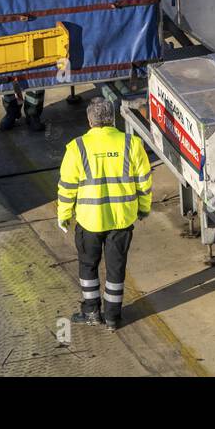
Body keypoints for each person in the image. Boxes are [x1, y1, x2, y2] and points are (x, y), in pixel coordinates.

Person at [57, 98, 152, 330]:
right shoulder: (131, 144)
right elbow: (144, 181)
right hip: (121, 220)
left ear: (90, 121)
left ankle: (91, 312)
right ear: (112, 119)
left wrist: (64, 215)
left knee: (88, 266)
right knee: (116, 268)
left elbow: (67, 187)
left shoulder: (77, 147)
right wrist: (143, 208)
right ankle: (112, 317)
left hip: (89, 220)